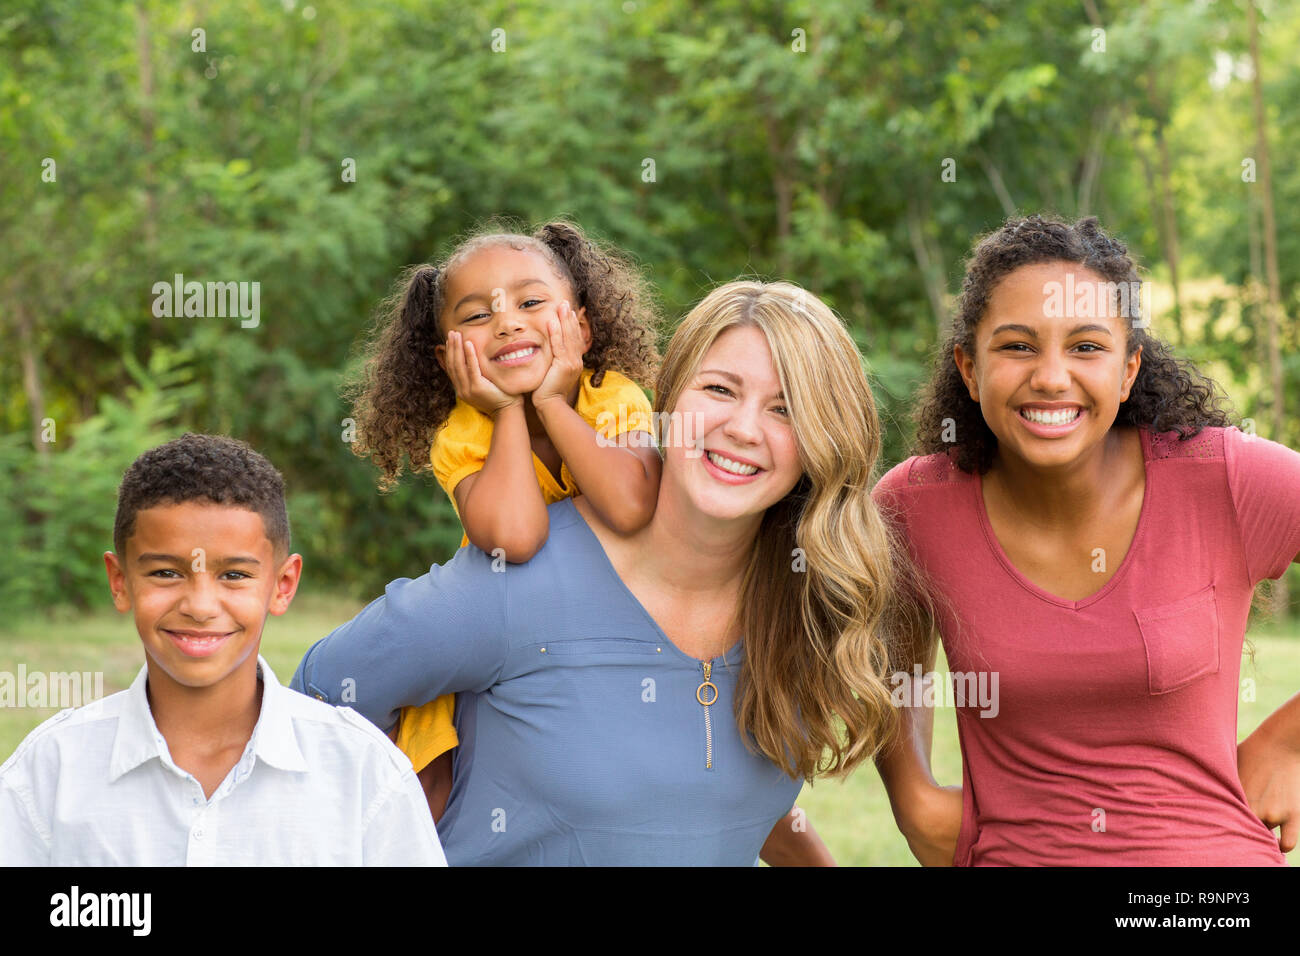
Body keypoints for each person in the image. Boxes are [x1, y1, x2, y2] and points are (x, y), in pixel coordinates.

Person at [295, 280, 919, 864]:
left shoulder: (802, 601)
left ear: (822, 442)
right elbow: (313, 701)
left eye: (785, 410)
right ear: (668, 400)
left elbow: (703, 801)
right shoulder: (513, 587)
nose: (743, 428)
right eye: (720, 391)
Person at [874, 214, 1300, 865]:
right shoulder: (916, 507)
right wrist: (915, 801)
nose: (1050, 377)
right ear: (968, 367)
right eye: (1017, 346)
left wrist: (1290, 741)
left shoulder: (1225, 480)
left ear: (1128, 370)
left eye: (1086, 347)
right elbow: (892, 669)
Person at [0, 434, 445, 866]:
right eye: (165, 573)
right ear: (120, 582)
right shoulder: (51, 771)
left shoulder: (363, 773)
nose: (199, 607)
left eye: (233, 575)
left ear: (282, 585)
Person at [348, 221, 662, 818]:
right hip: (493, 618)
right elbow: (515, 539)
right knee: (432, 776)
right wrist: (507, 411)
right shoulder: (463, 433)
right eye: (476, 316)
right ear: (447, 358)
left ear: (581, 326)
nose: (507, 323)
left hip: (608, 616)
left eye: (530, 302)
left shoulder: (613, 396)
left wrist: (549, 401)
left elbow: (629, 506)